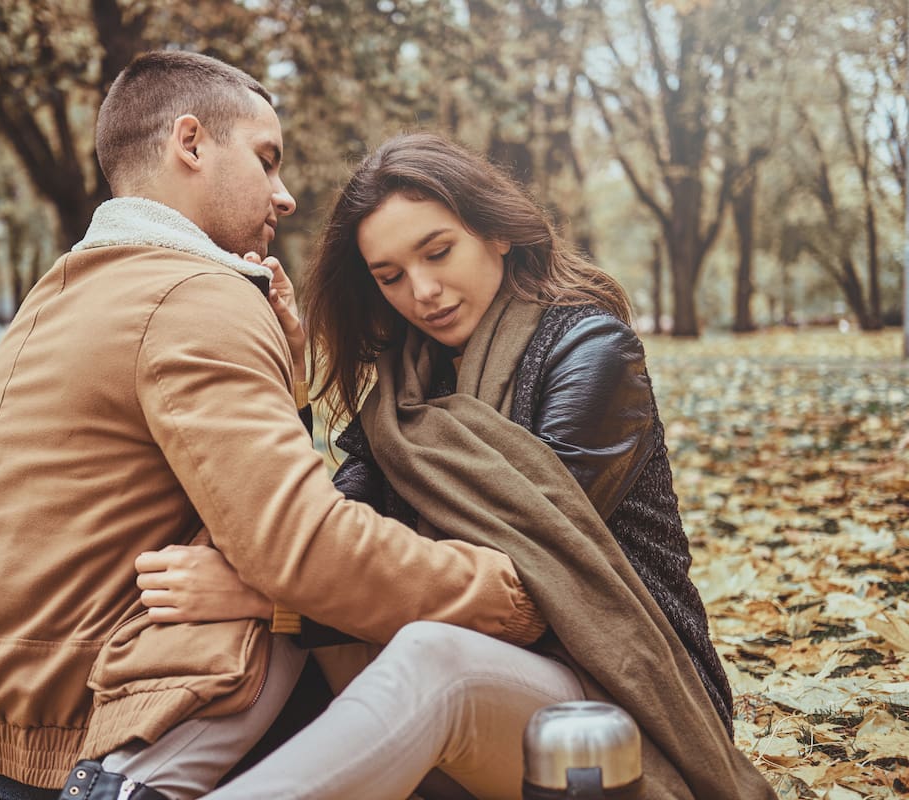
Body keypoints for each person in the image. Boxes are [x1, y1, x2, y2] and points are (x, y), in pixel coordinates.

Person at [0, 54, 546, 800]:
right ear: (190, 143)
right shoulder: (197, 294)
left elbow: (251, 499)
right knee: (383, 671)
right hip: (108, 732)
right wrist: (502, 595)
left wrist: (291, 386)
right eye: (266, 159)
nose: (284, 195)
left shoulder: (59, 294)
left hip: (1, 724)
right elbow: (304, 548)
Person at [136, 133, 777, 799]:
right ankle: (129, 785)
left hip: (618, 702)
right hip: (474, 690)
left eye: (438, 252)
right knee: (270, 619)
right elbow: (324, 535)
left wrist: (276, 597)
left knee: (423, 656)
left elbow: (521, 580)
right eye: (390, 277)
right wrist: (290, 388)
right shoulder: (404, 392)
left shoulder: (590, 353)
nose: (424, 291)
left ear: (497, 232)